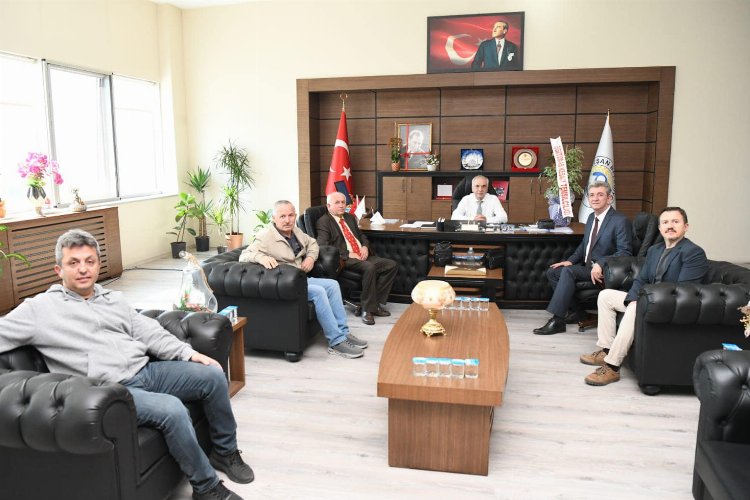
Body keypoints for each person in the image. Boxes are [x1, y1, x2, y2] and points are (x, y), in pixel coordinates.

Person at [0, 229, 252, 500]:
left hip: (147, 371)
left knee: (212, 375)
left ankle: (225, 452)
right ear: (58, 269)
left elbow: (149, 332)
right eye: (73, 262)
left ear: (98, 264)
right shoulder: (39, 309)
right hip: (112, 392)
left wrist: (188, 354)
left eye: (89, 261)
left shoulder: (113, 299)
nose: (83, 269)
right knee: (172, 409)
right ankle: (206, 487)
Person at [581, 207, 708, 386]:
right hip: (647, 299)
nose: (670, 226)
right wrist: (634, 298)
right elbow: (642, 279)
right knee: (606, 296)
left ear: (686, 227)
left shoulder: (693, 253)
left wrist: (642, 301)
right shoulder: (655, 250)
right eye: (665, 222)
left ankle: (612, 366)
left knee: (634, 308)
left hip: (669, 305)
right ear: (660, 228)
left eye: (675, 222)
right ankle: (606, 349)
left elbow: (683, 292)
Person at [240, 200, 367, 358]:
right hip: (285, 284)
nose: (287, 220)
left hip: (300, 279)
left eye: (291, 215)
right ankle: (336, 342)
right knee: (319, 292)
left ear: (295, 215)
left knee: (333, 285)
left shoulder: (295, 231)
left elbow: (313, 243)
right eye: (282, 216)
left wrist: (311, 258)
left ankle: (343, 332)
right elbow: (244, 255)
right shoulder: (265, 237)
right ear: (274, 218)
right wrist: (261, 257)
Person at [533, 181, 632, 335]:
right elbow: (585, 245)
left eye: (600, 195)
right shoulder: (591, 217)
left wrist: (601, 263)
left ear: (609, 198)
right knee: (553, 272)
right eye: (592, 195)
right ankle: (577, 312)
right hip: (588, 268)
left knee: (569, 271)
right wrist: (571, 260)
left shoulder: (620, 220)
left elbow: (625, 252)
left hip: (607, 272)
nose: (595, 198)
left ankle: (558, 320)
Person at [316, 192, 399, 325]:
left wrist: (365, 246)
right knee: (369, 267)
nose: (341, 205)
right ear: (328, 205)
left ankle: (374, 304)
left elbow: (361, 236)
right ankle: (367, 309)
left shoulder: (349, 217)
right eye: (337, 203)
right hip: (343, 259)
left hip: (361, 254)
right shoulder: (324, 221)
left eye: (343, 202)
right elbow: (323, 246)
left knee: (391, 265)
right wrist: (347, 254)